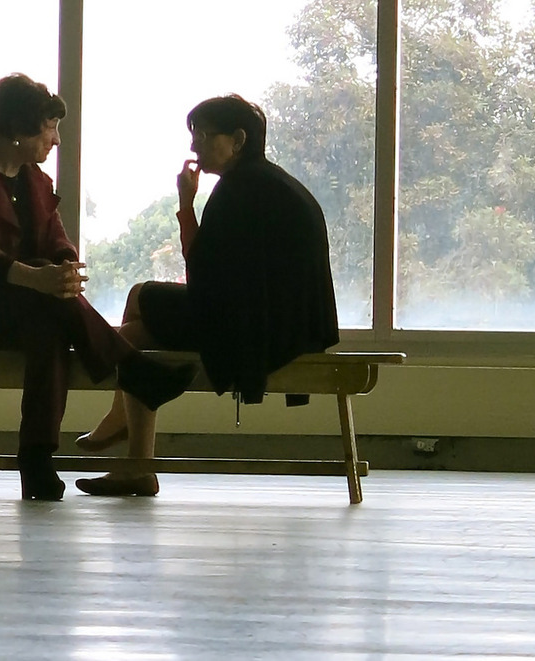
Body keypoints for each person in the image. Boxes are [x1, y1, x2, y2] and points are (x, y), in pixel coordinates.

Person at [0, 74, 196, 501]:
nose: (57, 140)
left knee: (47, 319)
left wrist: (63, 268)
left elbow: (56, 241)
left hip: (25, 307)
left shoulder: (34, 182)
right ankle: (130, 371)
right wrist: (39, 277)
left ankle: (38, 463)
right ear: (19, 129)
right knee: (44, 299)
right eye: (50, 128)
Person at [74, 94, 339, 497]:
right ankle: (135, 463)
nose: (194, 146)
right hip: (287, 325)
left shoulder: (238, 191)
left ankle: (126, 438)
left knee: (138, 306)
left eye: (202, 134)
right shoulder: (269, 182)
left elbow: (201, 275)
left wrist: (185, 203)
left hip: (261, 331)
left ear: (237, 139)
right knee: (133, 337)